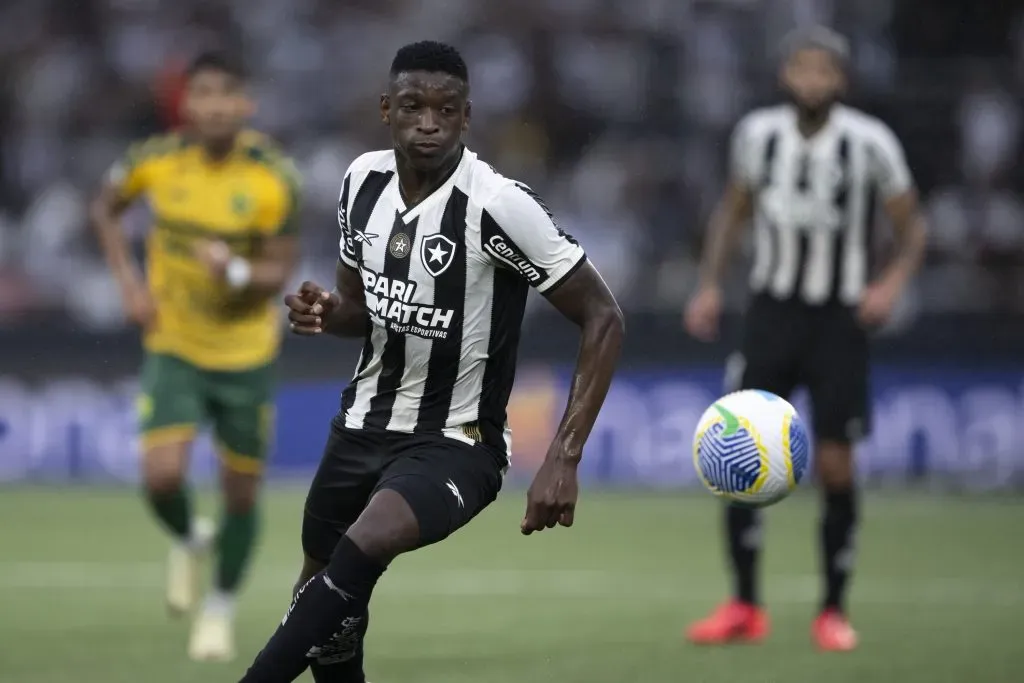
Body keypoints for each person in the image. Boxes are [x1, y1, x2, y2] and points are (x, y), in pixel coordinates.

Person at [237, 40, 625, 683]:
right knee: (326, 607)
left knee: (364, 545)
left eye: (446, 110)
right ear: (386, 109)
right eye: (413, 106)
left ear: (466, 117)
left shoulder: (498, 205)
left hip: (456, 441)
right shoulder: (362, 182)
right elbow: (358, 309)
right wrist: (326, 312)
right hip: (361, 423)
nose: (428, 123)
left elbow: (603, 316)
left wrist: (564, 455)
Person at [683, 26, 927, 652]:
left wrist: (890, 285)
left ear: (840, 79)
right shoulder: (757, 135)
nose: (812, 80)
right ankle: (744, 604)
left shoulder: (869, 142)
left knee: (837, 463)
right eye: (802, 68)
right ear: (785, 75)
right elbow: (733, 212)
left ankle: (833, 609)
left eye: (824, 70)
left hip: (839, 320)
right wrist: (709, 285)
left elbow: (912, 228)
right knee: (737, 452)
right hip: (770, 313)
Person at [90, 51, 301, 662]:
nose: (213, 106)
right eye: (201, 94)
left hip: (246, 356)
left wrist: (232, 270)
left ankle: (219, 609)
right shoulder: (154, 160)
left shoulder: (274, 177)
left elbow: (279, 271)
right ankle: (189, 536)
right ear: (186, 102)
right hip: (175, 345)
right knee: (160, 478)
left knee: (241, 494)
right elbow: (105, 207)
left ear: (245, 104)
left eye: (225, 94)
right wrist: (129, 285)